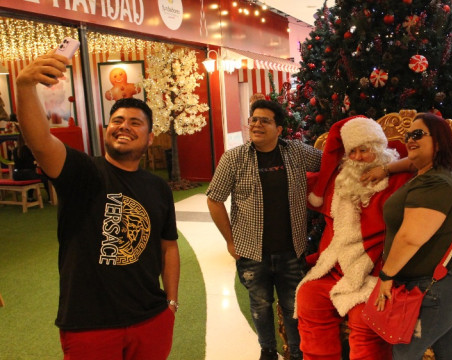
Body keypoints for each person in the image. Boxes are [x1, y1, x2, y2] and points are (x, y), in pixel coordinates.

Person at [16, 50, 180, 359]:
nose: (124, 126)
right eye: (116, 120)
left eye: (135, 122)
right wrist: (25, 86)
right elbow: (40, 141)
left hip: (151, 318)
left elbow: (168, 246)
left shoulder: (158, 187)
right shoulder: (81, 172)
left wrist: (170, 303)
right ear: (106, 130)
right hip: (90, 324)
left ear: (149, 138)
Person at [206, 99, 322, 360]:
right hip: (251, 251)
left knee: (292, 306)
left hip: (291, 250)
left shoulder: (296, 152)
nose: (256, 124)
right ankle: (267, 350)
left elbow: (330, 162)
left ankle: (295, 353)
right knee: (260, 305)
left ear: (279, 129)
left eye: (265, 120)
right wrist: (230, 241)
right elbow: (214, 198)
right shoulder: (234, 158)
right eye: (254, 119)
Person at [295, 116, 413, 360]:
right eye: (352, 152)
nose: (358, 157)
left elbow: (443, 174)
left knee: (365, 315)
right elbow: (302, 185)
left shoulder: (400, 179)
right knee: (309, 295)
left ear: (380, 150)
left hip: (375, 271)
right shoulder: (340, 180)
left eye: (364, 150)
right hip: (336, 267)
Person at [374, 113, 452, 359]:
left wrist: (386, 276)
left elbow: (410, 238)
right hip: (443, 280)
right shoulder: (437, 170)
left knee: (404, 353)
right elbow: (413, 162)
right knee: (445, 351)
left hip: (444, 285)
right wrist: (386, 169)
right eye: (407, 136)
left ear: (439, 141)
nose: (409, 140)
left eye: (417, 134)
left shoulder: (436, 184)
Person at [11, 128, 49, 200]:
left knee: (32, 174)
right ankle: (50, 198)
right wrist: (35, 163)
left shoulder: (15, 149)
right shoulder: (27, 149)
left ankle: (30, 197)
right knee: (45, 178)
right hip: (26, 174)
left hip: (16, 175)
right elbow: (30, 164)